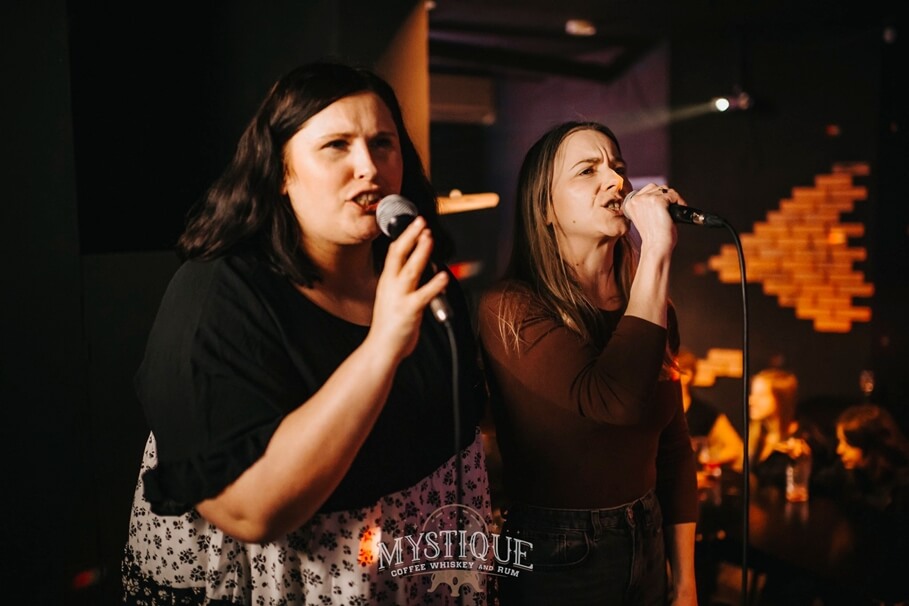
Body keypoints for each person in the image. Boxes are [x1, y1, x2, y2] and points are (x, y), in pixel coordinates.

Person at [121, 61, 493, 605]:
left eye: (383, 143)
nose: (369, 167)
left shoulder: (420, 277)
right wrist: (383, 345)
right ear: (280, 172)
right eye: (337, 145)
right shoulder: (216, 296)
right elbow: (252, 511)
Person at [477, 120, 699, 605]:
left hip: (648, 537)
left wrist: (685, 582)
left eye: (618, 167)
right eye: (587, 170)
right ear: (545, 208)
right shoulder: (510, 309)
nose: (616, 180)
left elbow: (674, 449)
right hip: (559, 554)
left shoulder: (654, 309)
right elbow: (614, 400)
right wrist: (656, 249)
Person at [676, 348, 743, 470]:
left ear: (687, 375)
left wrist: (708, 459)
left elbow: (735, 447)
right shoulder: (655, 408)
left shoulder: (704, 412)